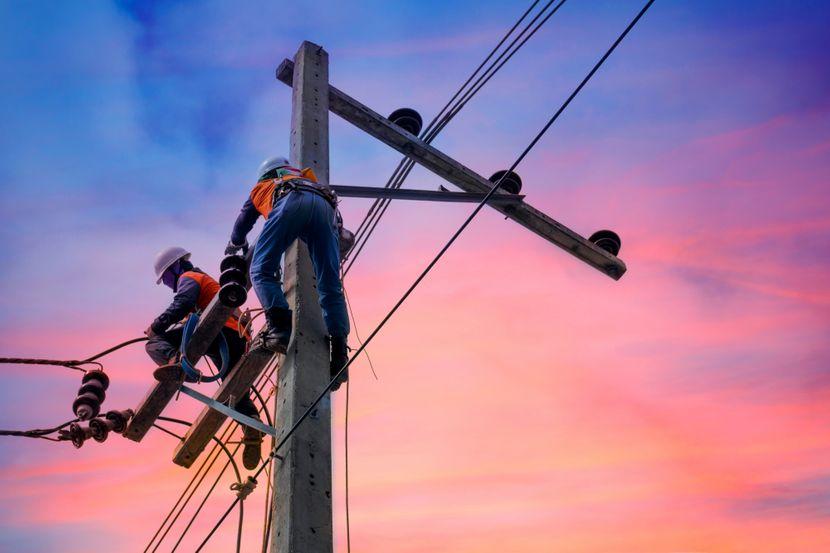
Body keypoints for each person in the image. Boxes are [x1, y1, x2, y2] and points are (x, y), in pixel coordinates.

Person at [225, 156, 350, 390]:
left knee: (260, 269)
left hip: (291, 200)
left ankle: (279, 330)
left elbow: (244, 221)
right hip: (325, 208)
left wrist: (235, 243)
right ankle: (340, 354)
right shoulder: (305, 178)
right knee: (330, 285)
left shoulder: (263, 186)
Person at [145, 246, 263, 470]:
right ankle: (251, 426)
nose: (169, 285)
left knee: (154, 344)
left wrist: (157, 325)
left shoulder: (189, 278)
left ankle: (175, 364)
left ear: (175, 268)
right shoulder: (206, 283)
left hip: (217, 330)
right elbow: (190, 310)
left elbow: (182, 303)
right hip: (237, 337)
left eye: (167, 278)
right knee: (233, 391)